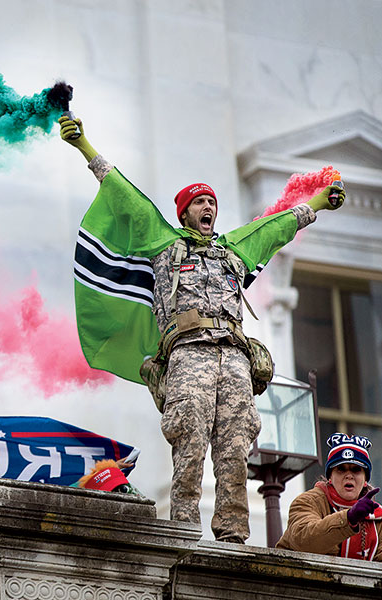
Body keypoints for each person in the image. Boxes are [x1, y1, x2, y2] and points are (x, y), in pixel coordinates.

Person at [59, 115, 345, 543]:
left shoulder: (233, 250)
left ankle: (232, 537)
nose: (208, 207)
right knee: (188, 436)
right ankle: (183, 530)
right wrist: (85, 146)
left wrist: (318, 204)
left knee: (236, 445)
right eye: (199, 203)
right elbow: (124, 195)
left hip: (233, 355)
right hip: (187, 352)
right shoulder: (163, 242)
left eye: (211, 202)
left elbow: (276, 228)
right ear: (184, 212)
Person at [277, 433, 382, 577]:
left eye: (356, 469)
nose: (349, 475)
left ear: (365, 479)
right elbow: (303, 541)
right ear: (330, 477)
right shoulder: (307, 502)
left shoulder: (380, 519)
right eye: (341, 469)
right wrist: (348, 518)